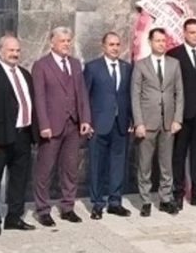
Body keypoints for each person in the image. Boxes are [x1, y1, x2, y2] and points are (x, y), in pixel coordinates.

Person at [31, 27, 92, 227]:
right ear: (52, 43)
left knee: (70, 169)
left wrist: (85, 119)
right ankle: (43, 209)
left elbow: (81, 93)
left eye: (68, 41)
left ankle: (68, 207)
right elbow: (39, 98)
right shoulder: (41, 66)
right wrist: (43, 124)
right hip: (52, 126)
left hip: (73, 125)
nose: (67, 44)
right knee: (45, 169)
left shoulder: (75, 64)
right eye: (63, 41)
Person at [0, 35, 36, 237]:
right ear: (0, 51)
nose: (15, 54)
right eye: (11, 50)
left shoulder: (25, 74)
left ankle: (14, 217)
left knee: (19, 180)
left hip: (22, 135)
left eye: (17, 50)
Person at [131, 28, 184, 216]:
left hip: (168, 122)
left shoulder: (174, 64)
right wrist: (138, 122)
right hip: (147, 122)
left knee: (166, 163)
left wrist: (178, 118)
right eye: (158, 40)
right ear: (150, 42)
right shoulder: (141, 65)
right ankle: (145, 200)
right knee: (144, 164)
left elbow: (179, 93)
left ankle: (165, 198)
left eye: (164, 40)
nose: (161, 44)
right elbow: (135, 95)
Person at [83, 32, 133, 219]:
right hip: (99, 125)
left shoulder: (127, 68)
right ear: (103, 46)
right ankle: (97, 204)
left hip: (120, 124)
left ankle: (115, 202)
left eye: (118, 44)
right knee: (97, 165)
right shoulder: (92, 68)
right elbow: (85, 96)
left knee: (118, 164)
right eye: (111, 44)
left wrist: (132, 120)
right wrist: (87, 121)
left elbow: (130, 96)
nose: (115, 48)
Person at [167, 18, 196, 209]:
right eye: (192, 32)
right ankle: (177, 194)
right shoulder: (174, 54)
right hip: (182, 113)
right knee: (179, 154)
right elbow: (170, 86)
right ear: (184, 33)